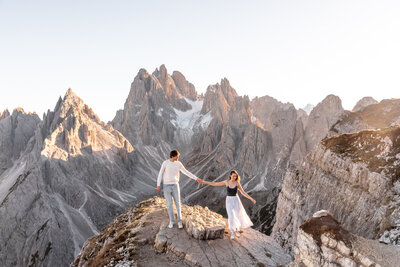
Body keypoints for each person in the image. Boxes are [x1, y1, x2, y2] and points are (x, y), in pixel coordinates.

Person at [200, 170, 256, 239]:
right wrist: (205, 182)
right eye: (233, 176)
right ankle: (232, 232)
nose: (234, 177)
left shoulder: (237, 183)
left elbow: (243, 193)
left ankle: (236, 230)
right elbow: (215, 184)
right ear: (230, 176)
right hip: (229, 200)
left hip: (236, 200)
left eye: (235, 176)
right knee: (231, 215)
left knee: (237, 215)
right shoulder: (226, 182)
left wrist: (251, 199)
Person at [157, 150, 203, 229]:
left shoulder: (179, 164)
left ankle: (179, 221)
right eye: (177, 156)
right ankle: (172, 221)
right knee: (169, 204)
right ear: (173, 156)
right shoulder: (165, 163)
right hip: (166, 186)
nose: (178, 158)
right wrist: (158, 185)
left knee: (178, 203)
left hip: (175, 185)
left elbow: (186, 172)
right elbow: (160, 174)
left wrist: (196, 178)